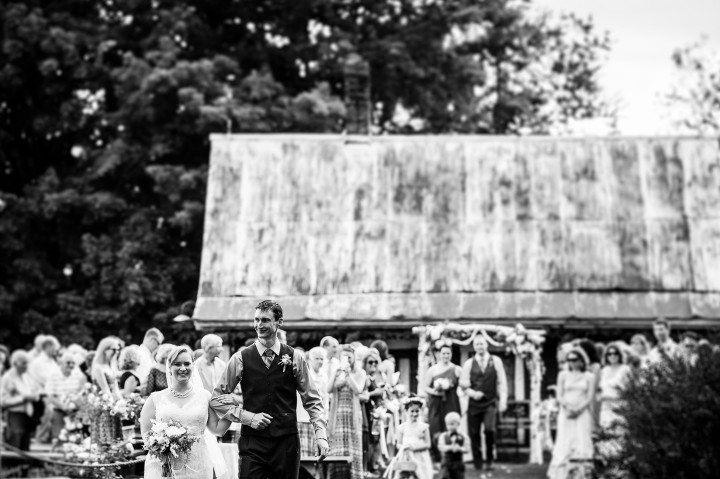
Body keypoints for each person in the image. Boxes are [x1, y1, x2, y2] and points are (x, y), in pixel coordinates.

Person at [210, 300, 329, 479]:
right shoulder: (240, 358)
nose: (259, 325)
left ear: (279, 322)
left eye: (265, 320)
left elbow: (312, 400)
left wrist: (320, 435)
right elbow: (216, 399)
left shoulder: (295, 357)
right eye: (256, 320)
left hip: (286, 442)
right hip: (252, 442)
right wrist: (248, 417)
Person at [140, 345, 231, 478]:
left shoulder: (205, 396)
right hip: (163, 466)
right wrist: (162, 446)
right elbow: (146, 434)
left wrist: (232, 412)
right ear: (169, 367)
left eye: (187, 363)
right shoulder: (155, 398)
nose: (183, 368)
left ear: (193, 366)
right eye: (177, 364)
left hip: (198, 464)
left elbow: (218, 430)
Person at [460, 335, 508, 472]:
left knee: (489, 430)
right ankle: (478, 461)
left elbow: (502, 382)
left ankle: (490, 460)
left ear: (486, 345)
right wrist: (472, 393)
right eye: (477, 344)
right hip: (474, 404)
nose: (479, 346)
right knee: (474, 433)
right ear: (474, 347)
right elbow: (463, 385)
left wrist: (503, 401)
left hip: (490, 402)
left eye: (481, 344)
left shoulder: (496, 361)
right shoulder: (469, 363)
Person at [547, 347, 594, 479]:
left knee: (581, 439)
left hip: (582, 412)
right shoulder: (562, 375)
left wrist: (578, 409)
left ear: (582, 360)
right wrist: (568, 407)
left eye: (574, 359)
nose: (571, 362)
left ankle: (582, 474)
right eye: (569, 360)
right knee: (564, 441)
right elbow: (559, 395)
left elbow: (589, 397)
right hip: (566, 412)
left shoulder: (589, 376)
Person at [326, 344, 367, 479]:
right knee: (337, 446)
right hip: (337, 413)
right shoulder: (336, 371)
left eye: (349, 356)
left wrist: (348, 376)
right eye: (344, 356)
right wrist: (336, 373)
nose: (347, 359)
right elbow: (328, 389)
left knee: (353, 444)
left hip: (353, 414)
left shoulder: (360, 372)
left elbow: (358, 390)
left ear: (353, 357)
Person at [424, 343, 462, 461]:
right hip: (436, 403)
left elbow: (464, 386)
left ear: (451, 354)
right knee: (435, 426)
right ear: (439, 354)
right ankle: (436, 456)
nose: (446, 355)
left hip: (451, 401)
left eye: (448, 353)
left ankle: (451, 455)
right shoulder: (433, 370)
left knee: (451, 426)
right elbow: (425, 387)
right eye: (443, 353)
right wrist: (435, 391)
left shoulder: (457, 369)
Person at [1, 350, 40, 450]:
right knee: (15, 438)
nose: (26, 365)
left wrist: (34, 395)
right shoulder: (8, 377)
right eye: (23, 363)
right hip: (14, 413)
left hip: (27, 413)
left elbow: (34, 389)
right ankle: (12, 464)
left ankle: (24, 464)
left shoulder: (26, 376)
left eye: (27, 362)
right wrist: (22, 398)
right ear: (15, 363)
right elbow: (3, 401)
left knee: (25, 441)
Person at [45, 351, 87, 440]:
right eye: (68, 363)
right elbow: (50, 397)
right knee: (58, 436)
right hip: (59, 409)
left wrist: (75, 404)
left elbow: (82, 394)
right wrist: (63, 407)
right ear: (62, 363)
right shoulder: (53, 375)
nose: (71, 365)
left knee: (76, 437)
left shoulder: (78, 376)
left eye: (73, 363)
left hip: (74, 411)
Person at [393, 396, 433, 479]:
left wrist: (414, 448)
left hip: (420, 456)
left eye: (417, 411)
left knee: (421, 474)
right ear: (406, 411)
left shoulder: (423, 427)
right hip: (406, 455)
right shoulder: (402, 428)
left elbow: (428, 444)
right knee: (406, 474)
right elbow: (398, 444)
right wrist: (405, 447)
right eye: (412, 411)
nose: (414, 414)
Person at [598, 342, 631, 430]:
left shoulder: (625, 369)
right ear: (606, 356)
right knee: (606, 436)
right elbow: (600, 389)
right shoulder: (604, 370)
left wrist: (613, 398)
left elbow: (630, 391)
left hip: (619, 408)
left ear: (620, 355)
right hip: (605, 408)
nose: (612, 356)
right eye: (609, 354)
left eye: (615, 353)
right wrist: (600, 396)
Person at [437, 412, 470, 479]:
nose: (449, 427)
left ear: (458, 424)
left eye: (452, 424)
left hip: (458, 462)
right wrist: (450, 447)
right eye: (447, 424)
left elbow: (467, 449)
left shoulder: (464, 436)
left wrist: (460, 448)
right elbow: (440, 447)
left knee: (459, 477)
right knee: (444, 476)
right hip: (446, 462)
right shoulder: (443, 436)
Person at [136, 328, 164, 392]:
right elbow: (143, 381)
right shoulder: (142, 356)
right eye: (158, 343)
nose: (158, 347)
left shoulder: (147, 356)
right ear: (152, 339)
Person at [308, 346, 329, 415]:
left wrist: (326, 414)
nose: (319, 361)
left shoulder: (324, 375)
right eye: (316, 358)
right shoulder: (306, 375)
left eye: (322, 359)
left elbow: (325, 396)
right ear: (310, 360)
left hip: (321, 412)